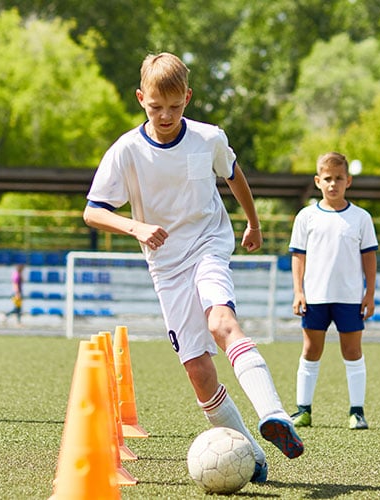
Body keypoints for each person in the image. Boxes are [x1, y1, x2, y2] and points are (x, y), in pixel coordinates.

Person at [83, 52, 302, 483]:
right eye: (155, 107)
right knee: (199, 371)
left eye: (175, 107)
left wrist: (252, 223)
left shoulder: (208, 138)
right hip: (166, 266)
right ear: (140, 98)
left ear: (188, 97)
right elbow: (93, 211)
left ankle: (275, 415)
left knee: (223, 322)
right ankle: (253, 455)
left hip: (208, 246)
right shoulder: (126, 150)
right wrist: (136, 226)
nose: (165, 116)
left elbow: (234, 174)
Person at [288, 152, 378, 431]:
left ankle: (357, 411)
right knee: (311, 350)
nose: (333, 184)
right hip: (315, 296)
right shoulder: (307, 216)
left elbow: (369, 257)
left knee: (352, 352)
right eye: (327, 178)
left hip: (350, 298)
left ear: (348, 181)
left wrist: (369, 293)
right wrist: (298, 291)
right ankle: (303, 410)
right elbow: (298, 256)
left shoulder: (361, 217)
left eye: (339, 178)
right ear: (317, 181)